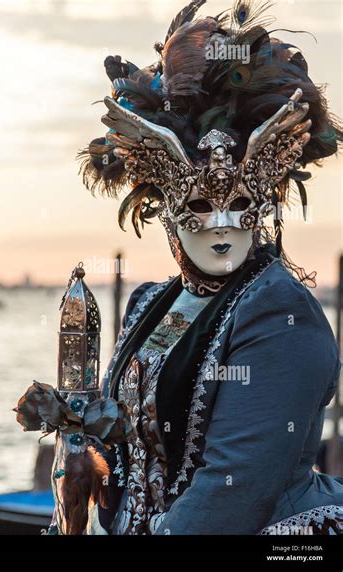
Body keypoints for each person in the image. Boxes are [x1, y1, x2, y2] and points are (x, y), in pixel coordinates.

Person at [55, 0, 343, 535]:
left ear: (264, 200)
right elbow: (143, 436)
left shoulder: (281, 315)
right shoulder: (151, 302)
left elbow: (233, 492)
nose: (221, 225)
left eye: (238, 204)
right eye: (200, 206)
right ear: (164, 204)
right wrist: (83, 427)